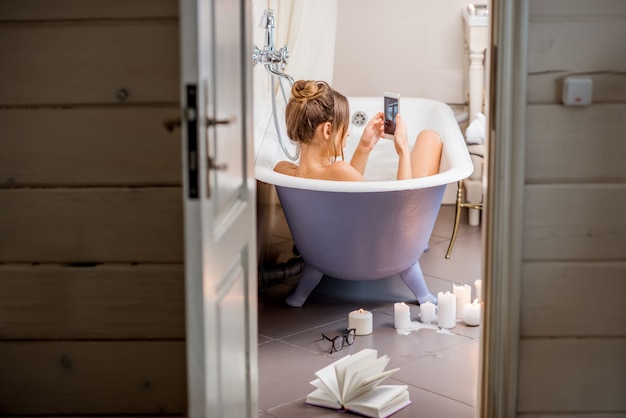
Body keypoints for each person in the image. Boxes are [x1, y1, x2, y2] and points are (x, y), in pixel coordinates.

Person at [274, 80, 443, 181]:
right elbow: (401, 207)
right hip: (395, 236)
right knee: (430, 137)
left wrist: (364, 146)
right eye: (344, 126)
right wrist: (403, 150)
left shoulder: (282, 170)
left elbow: (349, 188)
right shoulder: (339, 170)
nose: (348, 133)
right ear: (327, 130)